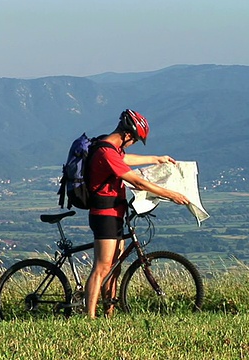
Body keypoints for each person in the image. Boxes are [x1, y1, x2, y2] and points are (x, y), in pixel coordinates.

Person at [84, 109, 190, 318]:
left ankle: (109, 315)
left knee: (114, 267)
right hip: (104, 214)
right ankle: (89, 317)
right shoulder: (106, 152)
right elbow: (137, 182)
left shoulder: (110, 148)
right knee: (102, 267)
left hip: (114, 213)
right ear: (128, 135)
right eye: (136, 139)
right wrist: (170, 194)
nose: (133, 143)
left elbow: (126, 159)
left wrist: (156, 159)